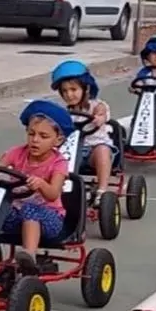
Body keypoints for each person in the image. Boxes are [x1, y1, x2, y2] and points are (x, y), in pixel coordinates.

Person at [0, 100, 71, 274]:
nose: (35, 140)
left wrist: (41, 184)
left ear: (58, 140)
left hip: (49, 219)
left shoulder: (59, 163)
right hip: (17, 216)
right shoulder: (17, 153)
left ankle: (29, 257)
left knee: (30, 209)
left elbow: (53, 194)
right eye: (31, 134)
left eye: (43, 136)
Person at [51, 60, 115, 204]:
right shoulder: (64, 113)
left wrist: (99, 118)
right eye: (65, 91)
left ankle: (102, 190)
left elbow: (102, 112)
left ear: (85, 88)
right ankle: (53, 189)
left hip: (93, 150)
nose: (69, 94)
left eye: (73, 90)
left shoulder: (96, 105)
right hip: (70, 152)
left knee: (102, 150)